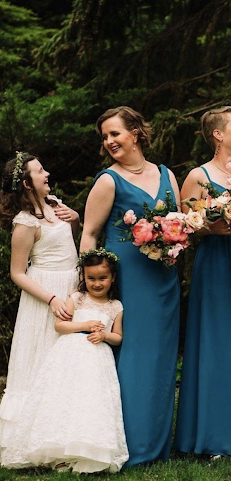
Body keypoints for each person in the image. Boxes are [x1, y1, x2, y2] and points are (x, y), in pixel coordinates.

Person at [80, 106, 181, 467]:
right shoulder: (108, 180)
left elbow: (180, 223)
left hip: (164, 280)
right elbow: (90, 234)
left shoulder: (167, 174)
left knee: (160, 360)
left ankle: (156, 446)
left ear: (136, 133)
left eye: (115, 134)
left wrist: (175, 240)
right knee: (132, 358)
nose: (109, 142)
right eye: (105, 137)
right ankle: (126, 445)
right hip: (127, 284)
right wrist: (91, 290)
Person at [173, 106, 231, 456]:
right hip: (215, 261)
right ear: (217, 134)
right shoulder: (198, 175)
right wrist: (213, 225)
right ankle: (212, 434)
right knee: (217, 341)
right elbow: (185, 225)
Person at [1, 248, 128, 473]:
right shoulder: (77, 298)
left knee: (89, 401)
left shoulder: (115, 307)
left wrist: (105, 335)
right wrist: (84, 325)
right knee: (63, 399)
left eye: (102, 278)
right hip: (69, 355)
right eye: (91, 278)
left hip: (97, 360)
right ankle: (58, 454)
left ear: (112, 278)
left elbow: (117, 337)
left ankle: (85, 452)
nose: (96, 284)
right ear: (83, 278)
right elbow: (59, 325)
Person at [0, 152, 79, 454]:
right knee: (42, 362)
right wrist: (51, 298)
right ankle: (34, 442)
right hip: (45, 295)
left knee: (67, 364)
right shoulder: (25, 222)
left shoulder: (57, 206)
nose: (47, 174)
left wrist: (76, 218)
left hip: (70, 288)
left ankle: (66, 436)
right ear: (26, 183)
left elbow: (69, 245)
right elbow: (17, 273)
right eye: (40, 171)